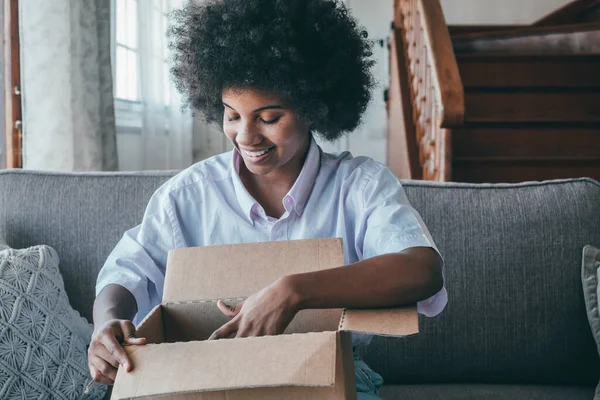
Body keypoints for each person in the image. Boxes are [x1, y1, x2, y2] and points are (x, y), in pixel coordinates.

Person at [88, 0, 447, 398]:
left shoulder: (359, 186)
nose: (246, 136)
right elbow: (127, 272)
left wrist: (292, 292)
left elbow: (421, 270)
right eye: (232, 115)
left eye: (269, 118)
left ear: (313, 108)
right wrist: (107, 322)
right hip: (208, 377)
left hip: (330, 370)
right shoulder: (187, 196)